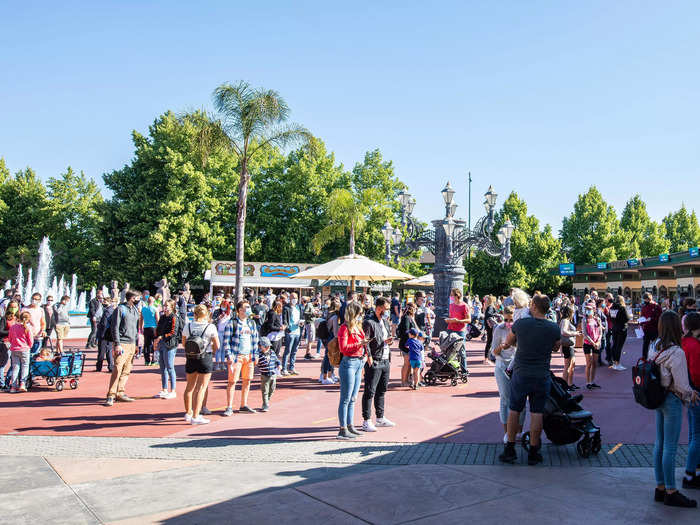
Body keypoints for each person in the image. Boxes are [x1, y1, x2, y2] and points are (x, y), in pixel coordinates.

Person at [499, 294, 561, 466]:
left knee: (514, 410)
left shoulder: (521, 324)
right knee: (537, 413)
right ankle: (534, 451)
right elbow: (556, 347)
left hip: (521, 373)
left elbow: (510, 342)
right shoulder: (553, 327)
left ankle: (510, 449)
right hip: (541, 375)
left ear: (533, 306)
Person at [649, 311, 699, 507]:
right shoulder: (676, 352)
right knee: (670, 446)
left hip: (658, 397)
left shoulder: (655, 345)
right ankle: (671, 490)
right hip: (672, 400)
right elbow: (681, 384)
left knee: (659, 444)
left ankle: (660, 487)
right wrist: (691, 394)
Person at [361, 296, 396, 432]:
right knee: (370, 391)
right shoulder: (369, 322)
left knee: (382, 390)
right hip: (375, 359)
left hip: (385, 358)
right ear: (379, 308)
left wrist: (389, 341)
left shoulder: (385, 322)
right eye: (385, 309)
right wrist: (369, 356)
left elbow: (384, 338)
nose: (387, 311)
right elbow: (366, 341)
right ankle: (366, 420)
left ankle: (380, 418)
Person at [491, 306, 526, 443]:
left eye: (511, 320)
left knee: (521, 400)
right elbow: (494, 351)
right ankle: (507, 432)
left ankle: (519, 431)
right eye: (506, 319)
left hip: (517, 366)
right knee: (505, 399)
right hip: (502, 365)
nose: (508, 322)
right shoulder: (499, 329)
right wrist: (502, 346)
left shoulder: (521, 329)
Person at [182, 304, 218, 425]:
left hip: (191, 357)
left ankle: (188, 413)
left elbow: (183, 343)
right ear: (206, 314)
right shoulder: (210, 327)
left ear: (195, 314)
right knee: (201, 388)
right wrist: (211, 350)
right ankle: (196, 416)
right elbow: (216, 345)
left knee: (189, 387)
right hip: (205, 356)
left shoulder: (188, 326)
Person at [222, 300, 260, 415]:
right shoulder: (232, 323)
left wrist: (256, 354)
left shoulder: (252, 323)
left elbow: (255, 339)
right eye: (246, 307)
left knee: (247, 380)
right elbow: (226, 341)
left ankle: (243, 404)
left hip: (249, 356)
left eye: (249, 307)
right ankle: (229, 406)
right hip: (236, 356)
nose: (249, 309)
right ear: (240, 310)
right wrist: (229, 356)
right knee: (232, 381)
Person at [104, 290, 141, 406]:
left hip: (131, 344)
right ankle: (111, 394)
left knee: (127, 369)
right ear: (132, 298)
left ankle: (120, 392)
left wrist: (136, 344)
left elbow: (136, 328)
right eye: (137, 298)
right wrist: (117, 344)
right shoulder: (120, 309)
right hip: (122, 343)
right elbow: (114, 327)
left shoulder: (135, 310)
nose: (139, 300)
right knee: (117, 368)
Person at [336, 301, 366, 440]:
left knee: (353, 398)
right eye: (359, 314)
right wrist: (359, 344)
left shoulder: (358, 328)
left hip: (359, 362)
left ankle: (350, 425)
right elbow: (343, 348)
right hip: (349, 362)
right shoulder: (344, 328)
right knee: (346, 398)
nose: (361, 316)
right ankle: (342, 428)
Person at [681, 312, 700, 490]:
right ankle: (690, 473)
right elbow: (696, 373)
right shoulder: (694, 345)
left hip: (688, 391)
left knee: (694, 433)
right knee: (697, 435)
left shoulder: (685, 342)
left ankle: (694, 468)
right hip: (696, 391)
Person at [153, 299, 178, 399]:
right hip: (162, 344)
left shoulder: (174, 317)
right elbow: (158, 329)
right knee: (162, 367)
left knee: (170, 366)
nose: (165, 307)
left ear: (172, 307)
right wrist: (156, 337)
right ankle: (164, 389)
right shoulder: (162, 317)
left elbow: (173, 332)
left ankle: (173, 390)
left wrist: (162, 337)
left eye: (167, 306)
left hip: (170, 345)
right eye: (164, 305)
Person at [445, 288, 470, 374]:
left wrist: (458, 321)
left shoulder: (464, 306)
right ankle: (450, 369)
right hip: (450, 329)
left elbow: (469, 320)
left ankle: (464, 371)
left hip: (460, 330)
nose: (450, 297)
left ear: (457, 295)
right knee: (449, 350)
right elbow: (451, 316)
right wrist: (448, 320)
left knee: (461, 351)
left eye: (452, 295)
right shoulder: (451, 305)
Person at [8, 311, 33, 392]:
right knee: (25, 366)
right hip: (25, 349)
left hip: (14, 349)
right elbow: (30, 340)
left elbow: (10, 338)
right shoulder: (27, 328)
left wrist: (13, 344)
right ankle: (22, 384)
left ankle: (13, 386)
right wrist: (29, 346)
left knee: (15, 367)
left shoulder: (13, 327)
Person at [558, 305, 580, 391]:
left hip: (569, 345)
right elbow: (563, 332)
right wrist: (574, 333)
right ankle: (565, 386)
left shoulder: (565, 320)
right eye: (573, 311)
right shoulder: (565, 320)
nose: (574, 313)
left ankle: (569, 384)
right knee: (567, 366)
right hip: (567, 346)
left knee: (572, 365)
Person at [0, 301, 20, 390]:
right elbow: (1, 331)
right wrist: (12, 331)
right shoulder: (5, 318)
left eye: (15, 307)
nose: (13, 309)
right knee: (3, 364)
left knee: (15, 364)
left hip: (17, 343)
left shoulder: (19, 318)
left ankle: (8, 382)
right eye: (12, 307)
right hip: (6, 343)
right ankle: (1, 383)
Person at [281, 293, 302, 376]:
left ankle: (292, 368)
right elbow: (285, 320)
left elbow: (301, 317)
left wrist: (301, 323)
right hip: (290, 332)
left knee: (294, 351)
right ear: (289, 298)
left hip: (297, 331)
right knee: (288, 351)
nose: (295, 300)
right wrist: (287, 328)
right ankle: (284, 368)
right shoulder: (286, 308)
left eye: (296, 298)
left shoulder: (298, 307)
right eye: (293, 298)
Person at [398, 302, 418, 387]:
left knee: (409, 363)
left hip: (410, 344)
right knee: (406, 363)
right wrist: (413, 336)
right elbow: (406, 331)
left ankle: (407, 380)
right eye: (415, 308)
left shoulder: (411, 318)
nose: (416, 310)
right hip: (406, 344)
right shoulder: (406, 318)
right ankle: (403, 381)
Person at [582, 304, 602, 390]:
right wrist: (593, 343)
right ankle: (588, 382)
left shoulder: (597, 319)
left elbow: (601, 332)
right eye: (587, 309)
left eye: (590, 309)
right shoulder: (584, 320)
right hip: (588, 344)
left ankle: (592, 381)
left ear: (594, 310)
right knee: (589, 363)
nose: (588, 310)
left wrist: (598, 341)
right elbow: (585, 334)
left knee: (594, 363)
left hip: (596, 344)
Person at [257, 336, 279, 412]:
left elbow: (276, 360)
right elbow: (257, 363)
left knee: (272, 389)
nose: (268, 347)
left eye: (268, 346)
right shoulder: (259, 355)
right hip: (264, 375)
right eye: (265, 346)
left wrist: (279, 365)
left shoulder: (272, 352)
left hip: (273, 374)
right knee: (265, 390)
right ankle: (265, 404)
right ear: (261, 347)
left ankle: (267, 400)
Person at [609, 295, 629, 371]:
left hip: (614, 328)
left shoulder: (611, 308)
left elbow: (610, 318)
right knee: (619, 346)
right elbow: (627, 318)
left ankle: (614, 362)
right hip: (622, 329)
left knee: (615, 345)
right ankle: (617, 363)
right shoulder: (622, 308)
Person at [640, 292, 663, 360]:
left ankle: (656, 358)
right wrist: (640, 323)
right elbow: (642, 316)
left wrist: (651, 319)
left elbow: (660, 317)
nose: (644, 301)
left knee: (656, 345)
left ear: (649, 299)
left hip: (655, 329)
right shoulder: (644, 307)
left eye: (645, 300)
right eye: (644, 300)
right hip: (646, 329)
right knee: (645, 345)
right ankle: (644, 358)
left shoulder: (657, 306)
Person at [95, 297, 116, 373]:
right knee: (109, 351)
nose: (103, 303)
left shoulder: (107, 311)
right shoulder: (112, 310)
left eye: (105, 302)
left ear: (109, 302)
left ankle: (99, 367)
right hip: (110, 334)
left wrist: (101, 334)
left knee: (101, 352)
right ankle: (111, 367)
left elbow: (104, 323)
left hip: (104, 334)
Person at [140, 295, 159, 366]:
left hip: (146, 328)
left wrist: (140, 328)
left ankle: (147, 361)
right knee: (156, 344)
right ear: (153, 301)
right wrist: (159, 329)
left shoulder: (143, 309)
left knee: (146, 345)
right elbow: (157, 320)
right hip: (154, 328)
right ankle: (154, 360)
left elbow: (141, 319)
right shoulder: (155, 309)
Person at [213, 300, 232, 371]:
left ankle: (223, 364)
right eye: (222, 306)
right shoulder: (217, 311)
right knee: (218, 348)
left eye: (225, 306)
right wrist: (218, 318)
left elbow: (232, 322)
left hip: (227, 332)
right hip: (218, 332)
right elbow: (212, 321)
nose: (223, 308)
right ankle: (217, 364)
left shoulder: (230, 313)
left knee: (224, 349)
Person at [483, 295, 498, 364]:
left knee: (489, 341)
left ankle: (487, 358)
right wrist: (496, 315)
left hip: (488, 326)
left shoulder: (488, 307)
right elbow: (489, 315)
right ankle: (487, 358)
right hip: (491, 327)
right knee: (490, 342)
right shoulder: (491, 307)